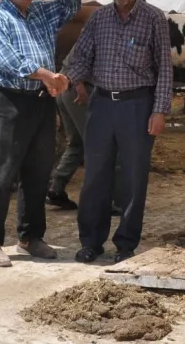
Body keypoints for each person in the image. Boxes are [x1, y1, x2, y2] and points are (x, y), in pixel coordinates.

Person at [0, 0, 83, 267]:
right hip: (11, 100)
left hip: (41, 99)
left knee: (38, 171)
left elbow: (74, 2)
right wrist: (46, 75)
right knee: (1, 172)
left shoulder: (41, 12)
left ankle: (30, 236)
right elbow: (6, 59)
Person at [65, 0, 173, 264]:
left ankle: (126, 244)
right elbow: (81, 56)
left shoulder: (154, 18)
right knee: (95, 176)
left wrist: (160, 111)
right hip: (101, 106)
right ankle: (91, 242)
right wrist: (71, 79)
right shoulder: (99, 19)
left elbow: (165, 69)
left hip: (137, 106)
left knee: (133, 177)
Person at [47, 42, 128, 217]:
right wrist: (79, 85)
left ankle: (56, 186)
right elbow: (77, 61)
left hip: (67, 89)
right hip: (79, 91)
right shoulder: (100, 33)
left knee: (77, 143)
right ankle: (106, 200)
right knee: (101, 145)